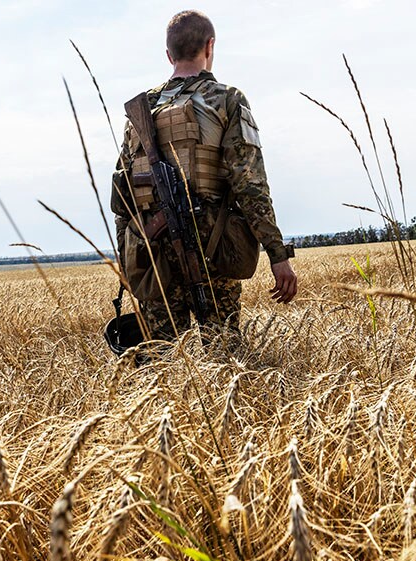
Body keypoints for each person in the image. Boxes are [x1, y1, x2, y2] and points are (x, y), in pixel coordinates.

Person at [110, 10, 297, 344]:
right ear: (210, 46)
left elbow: (121, 197)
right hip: (212, 246)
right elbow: (250, 185)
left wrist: (128, 260)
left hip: (152, 254)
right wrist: (277, 254)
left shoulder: (143, 110)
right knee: (222, 354)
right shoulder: (226, 100)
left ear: (169, 54)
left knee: (164, 362)